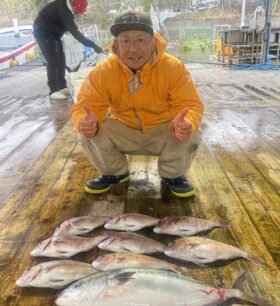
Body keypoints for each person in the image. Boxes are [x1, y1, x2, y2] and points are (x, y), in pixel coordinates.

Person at [71, 10, 205, 198]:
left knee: (191, 129)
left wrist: (187, 122)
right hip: (124, 130)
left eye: (140, 40)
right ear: (116, 44)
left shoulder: (173, 67)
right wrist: (85, 120)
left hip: (163, 131)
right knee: (89, 130)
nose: (133, 49)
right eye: (125, 41)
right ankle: (115, 173)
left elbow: (191, 105)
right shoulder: (103, 71)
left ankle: (172, 176)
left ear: (153, 41)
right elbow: (85, 105)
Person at [33, 0, 103, 100]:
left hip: (54, 33)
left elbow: (71, 28)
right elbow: (76, 34)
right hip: (43, 32)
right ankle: (54, 90)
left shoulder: (67, 8)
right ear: (74, 4)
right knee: (53, 59)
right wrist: (94, 46)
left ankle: (61, 86)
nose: (77, 13)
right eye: (78, 11)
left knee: (61, 58)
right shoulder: (64, 11)